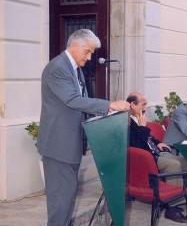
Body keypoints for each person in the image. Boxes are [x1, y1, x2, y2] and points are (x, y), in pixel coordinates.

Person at [37, 29, 130, 226]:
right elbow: (73, 100)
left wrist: (109, 114)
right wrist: (109, 105)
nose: (89, 58)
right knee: (60, 202)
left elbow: (82, 105)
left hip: (70, 146)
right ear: (75, 45)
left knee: (66, 199)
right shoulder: (58, 67)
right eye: (87, 52)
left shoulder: (75, 69)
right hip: (58, 147)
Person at [127, 92, 187, 223]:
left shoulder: (139, 117)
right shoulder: (127, 121)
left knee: (186, 162)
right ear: (132, 105)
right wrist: (141, 127)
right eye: (143, 104)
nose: (145, 107)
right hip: (148, 158)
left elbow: (149, 138)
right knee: (174, 165)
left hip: (155, 151)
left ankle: (180, 192)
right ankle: (172, 208)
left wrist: (159, 143)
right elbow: (137, 144)